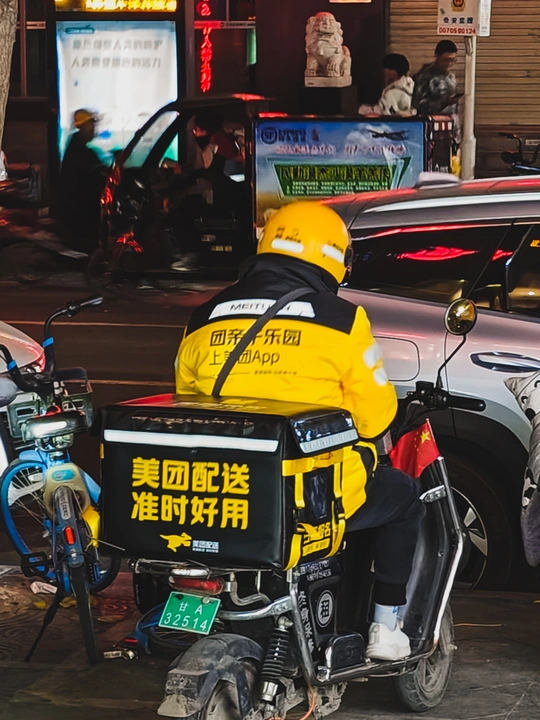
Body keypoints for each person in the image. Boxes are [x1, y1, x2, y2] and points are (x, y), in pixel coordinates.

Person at [175, 201, 423, 661]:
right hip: (307, 498)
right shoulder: (342, 319)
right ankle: (386, 628)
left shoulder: (203, 315)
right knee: (405, 499)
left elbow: (187, 403)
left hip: (218, 491)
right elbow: (374, 419)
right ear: (333, 257)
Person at [57, 109, 104, 253]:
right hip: (80, 212)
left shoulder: (79, 147)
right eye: (90, 124)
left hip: (79, 210)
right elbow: (90, 175)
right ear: (82, 126)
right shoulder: (79, 152)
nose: (94, 127)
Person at [412, 40, 461, 117]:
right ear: (437, 56)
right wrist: (442, 102)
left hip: (450, 119)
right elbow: (416, 104)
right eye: (446, 60)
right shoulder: (423, 76)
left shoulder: (451, 76)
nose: (449, 64)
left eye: (452, 60)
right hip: (431, 120)